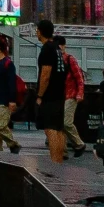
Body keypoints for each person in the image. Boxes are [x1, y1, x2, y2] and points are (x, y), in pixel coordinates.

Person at [33, 19, 68, 162]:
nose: (36, 32)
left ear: (40, 32)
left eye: (37, 30)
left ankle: (55, 163)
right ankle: (58, 161)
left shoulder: (47, 49)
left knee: (50, 129)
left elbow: (45, 74)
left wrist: (40, 95)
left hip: (50, 95)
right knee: (58, 129)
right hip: (60, 94)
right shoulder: (57, 48)